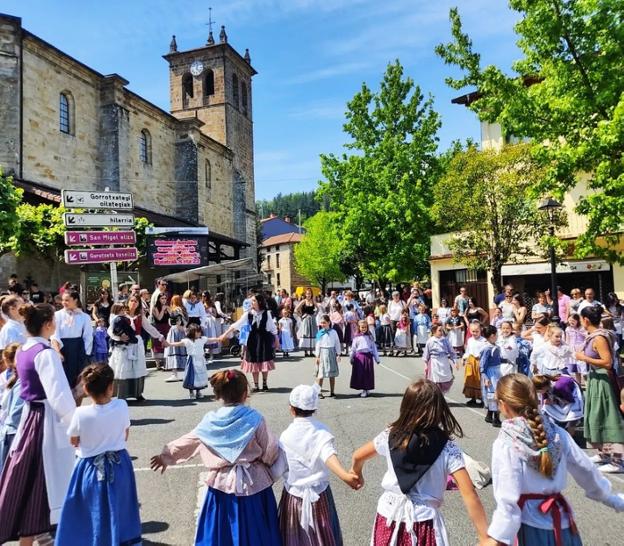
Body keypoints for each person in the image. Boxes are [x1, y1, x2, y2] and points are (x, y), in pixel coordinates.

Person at [482, 373, 624, 546]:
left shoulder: (506, 443)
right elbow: (586, 469)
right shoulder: (557, 433)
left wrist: (496, 537)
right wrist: (611, 498)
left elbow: (507, 499)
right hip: (562, 525)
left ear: (503, 405)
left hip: (529, 527)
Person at [150, 370, 281, 546]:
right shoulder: (255, 418)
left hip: (221, 484)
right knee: (257, 531)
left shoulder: (210, 421)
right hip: (253, 483)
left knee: (221, 530)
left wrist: (166, 455)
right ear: (245, 393)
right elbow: (269, 448)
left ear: (218, 395)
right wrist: (268, 463)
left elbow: (189, 441)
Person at [351, 379, 488, 546]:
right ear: (439, 409)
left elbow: (358, 456)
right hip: (424, 522)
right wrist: (483, 536)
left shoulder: (391, 435)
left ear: (406, 407)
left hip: (388, 514)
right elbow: (469, 494)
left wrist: (357, 472)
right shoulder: (446, 447)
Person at [0, 304, 76, 545]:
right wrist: (75, 425)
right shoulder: (45, 353)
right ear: (48, 324)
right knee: (43, 477)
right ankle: (37, 531)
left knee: (29, 476)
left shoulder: (23, 350)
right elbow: (59, 395)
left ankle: (31, 534)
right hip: (45, 420)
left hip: (29, 418)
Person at [55, 364, 141, 546]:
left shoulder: (80, 413)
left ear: (85, 389)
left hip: (88, 467)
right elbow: (125, 433)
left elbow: (74, 441)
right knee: (121, 507)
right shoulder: (122, 405)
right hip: (119, 464)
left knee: (90, 510)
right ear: (111, 386)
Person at [277, 383, 359, 545]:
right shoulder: (321, 431)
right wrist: (346, 476)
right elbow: (328, 455)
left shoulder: (286, 436)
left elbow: (278, 468)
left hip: (293, 496)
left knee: (294, 537)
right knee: (322, 534)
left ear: (291, 409)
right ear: (314, 409)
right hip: (319, 494)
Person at [575, 306, 624, 473]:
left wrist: (584, 358)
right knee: (596, 415)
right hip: (596, 378)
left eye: (582, 319)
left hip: (603, 380)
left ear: (586, 320)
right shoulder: (594, 336)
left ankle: (617, 460)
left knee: (608, 416)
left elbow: (607, 362)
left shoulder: (599, 338)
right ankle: (604, 453)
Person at [108, 298, 165, 401]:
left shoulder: (140, 316)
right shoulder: (120, 315)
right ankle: (121, 394)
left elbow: (149, 328)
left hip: (136, 343)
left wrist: (160, 337)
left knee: (137, 367)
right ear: (128, 302)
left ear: (139, 303)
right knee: (123, 367)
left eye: (136, 301)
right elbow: (111, 330)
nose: (133, 303)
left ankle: (137, 393)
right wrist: (119, 337)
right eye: (132, 301)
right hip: (123, 344)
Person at [220, 294, 278, 392]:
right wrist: (225, 334)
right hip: (253, 339)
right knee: (254, 362)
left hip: (264, 339)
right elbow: (237, 324)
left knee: (264, 361)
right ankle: (256, 385)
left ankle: (264, 384)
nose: (252, 303)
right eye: (251, 301)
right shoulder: (248, 314)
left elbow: (272, 328)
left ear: (259, 302)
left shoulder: (266, 313)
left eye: (253, 301)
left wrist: (276, 340)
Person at [50, 290, 93, 390]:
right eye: (63, 300)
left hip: (78, 348)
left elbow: (88, 336)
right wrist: (58, 351)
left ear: (75, 300)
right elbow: (54, 334)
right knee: (63, 378)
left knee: (78, 380)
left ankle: (76, 404)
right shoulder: (57, 315)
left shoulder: (84, 317)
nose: (64, 302)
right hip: (63, 347)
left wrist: (85, 353)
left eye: (67, 300)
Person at [167, 324, 209, 400]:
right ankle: (191, 392)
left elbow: (211, 339)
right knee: (191, 376)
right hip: (192, 361)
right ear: (192, 332)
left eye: (199, 332)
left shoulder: (202, 339)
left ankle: (198, 392)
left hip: (201, 360)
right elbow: (178, 344)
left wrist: (219, 338)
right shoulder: (187, 341)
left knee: (199, 376)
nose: (199, 333)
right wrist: (169, 344)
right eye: (197, 332)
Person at [0, 343, 24, 474]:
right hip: (11, 431)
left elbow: (14, 414)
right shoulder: (17, 381)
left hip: (11, 432)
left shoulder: (19, 382)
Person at [480, 325, 505, 427]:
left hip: (497, 371)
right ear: (492, 335)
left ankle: (489, 415)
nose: (498, 336)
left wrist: (506, 360)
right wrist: (485, 377)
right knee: (494, 394)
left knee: (493, 393)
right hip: (491, 374)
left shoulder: (495, 346)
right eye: (496, 334)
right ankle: (496, 419)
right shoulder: (487, 349)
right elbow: (482, 365)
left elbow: (497, 359)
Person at [350, 319, 380, 398]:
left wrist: (377, 359)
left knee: (367, 374)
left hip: (368, 357)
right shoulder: (356, 337)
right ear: (359, 328)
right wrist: (351, 358)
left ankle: (366, 389)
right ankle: (363, 389)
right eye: (362, 327)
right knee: (361, 374)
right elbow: (353, 348)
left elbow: (373, 348)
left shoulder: (370, 337)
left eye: (365, 327)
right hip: (359, 357)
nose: (363, 329)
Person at [423, 324, 455, 393]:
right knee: (435, 380)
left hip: (444, 362)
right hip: (434, 363)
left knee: (445, 379)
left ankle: (441, 395)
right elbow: (426, 354)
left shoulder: (445, 340)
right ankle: (435, 396)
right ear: (434, 331)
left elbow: (451, 351)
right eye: (439, 330)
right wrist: (425, 365)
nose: (441, 332)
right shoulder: (430, 341)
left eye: (442, 330)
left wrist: (455, 361)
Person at [315, 315, 341, 398]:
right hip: (323, 353)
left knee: (332, 374)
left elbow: (337, 343)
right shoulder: (320, 333)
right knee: (321, 374)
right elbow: (318, 345)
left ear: (329, 322)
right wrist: (317, 356)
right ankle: (319, 392)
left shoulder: (334, 332)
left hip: (332, 353)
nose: (322, 324)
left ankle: (332, 391)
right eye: (321, 323)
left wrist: (338, 354)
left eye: (324, 323)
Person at [164, 295, 188, 383]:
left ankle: (174, 374)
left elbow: (176, 321)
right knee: (182, 351)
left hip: (175, 330)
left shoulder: (175, 310)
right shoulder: (183, 309)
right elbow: (184, 321)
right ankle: (186, 373)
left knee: (174, 350)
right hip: (181, 331)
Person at [463, 321, 487, 407]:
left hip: (479, 362)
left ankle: (482, 399)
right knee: (470, 379)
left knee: (479, 380)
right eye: (473, 331)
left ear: (480, 330)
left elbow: (485, 353)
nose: (475, 333)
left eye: (477, 331)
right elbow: (468, 351)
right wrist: (464, 358)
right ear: (470, 331)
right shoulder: (470, 340)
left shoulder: (484, 341)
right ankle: (472, 398)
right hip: (470, 361)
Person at [295, 289, 321, 357]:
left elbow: (318, 309)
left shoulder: (313, 301)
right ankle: (306, 351)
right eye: (307, 293)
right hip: (305, 319)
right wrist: (301, 316)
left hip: (312, 319)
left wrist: (315, 314)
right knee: (306, 333)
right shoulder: (303, 301)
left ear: (311, 294)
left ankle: (311, 351)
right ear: (305, 294)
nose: (308, 295)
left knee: (312, 333)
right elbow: (296, 309)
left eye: (309, 293)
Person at [150, 292, 170, 370]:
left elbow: (172, 317)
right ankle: (157, 363)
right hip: (158, 326)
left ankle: (166, 363)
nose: (164, 300)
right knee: (157, 344)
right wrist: (162, 309)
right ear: (158, 299)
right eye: (162, 298)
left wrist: (169, 310)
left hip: (167, 326)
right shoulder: (155, 307)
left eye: (165, 298)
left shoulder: (167, 307)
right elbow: (159, 318)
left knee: (166, 343)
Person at [565, 313, 587, 385]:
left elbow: (586, 338)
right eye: (570, 320)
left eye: (573, 320)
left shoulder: (582, 328)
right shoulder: (568, 329)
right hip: (572, 350)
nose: (571, 322)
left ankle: (587, 383)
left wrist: (582, 346)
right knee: (575, 369)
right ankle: (578, 384)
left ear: (577, 321)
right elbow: (567, 340)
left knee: (583, 370)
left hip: (581, 350)